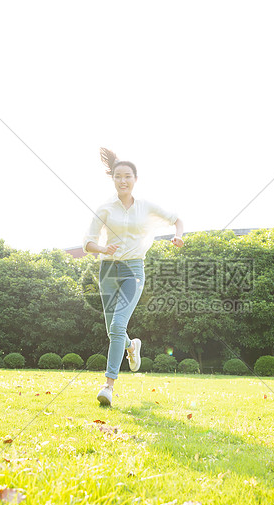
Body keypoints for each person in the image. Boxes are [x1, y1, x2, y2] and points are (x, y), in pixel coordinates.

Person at [83, 148, 184, 406]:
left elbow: (177, 219)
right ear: (113, 179)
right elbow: (87, 242)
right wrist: (103, 248)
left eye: (127, 176)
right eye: (118, 176)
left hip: (133, 270)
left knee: (117, 326)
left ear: (135, 179)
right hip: (107, 271)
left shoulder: (146, 207)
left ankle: (108, 386)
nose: (123, 180)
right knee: (113, 331)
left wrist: (179, 236)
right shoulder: (104, 209)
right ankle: (131, 346)